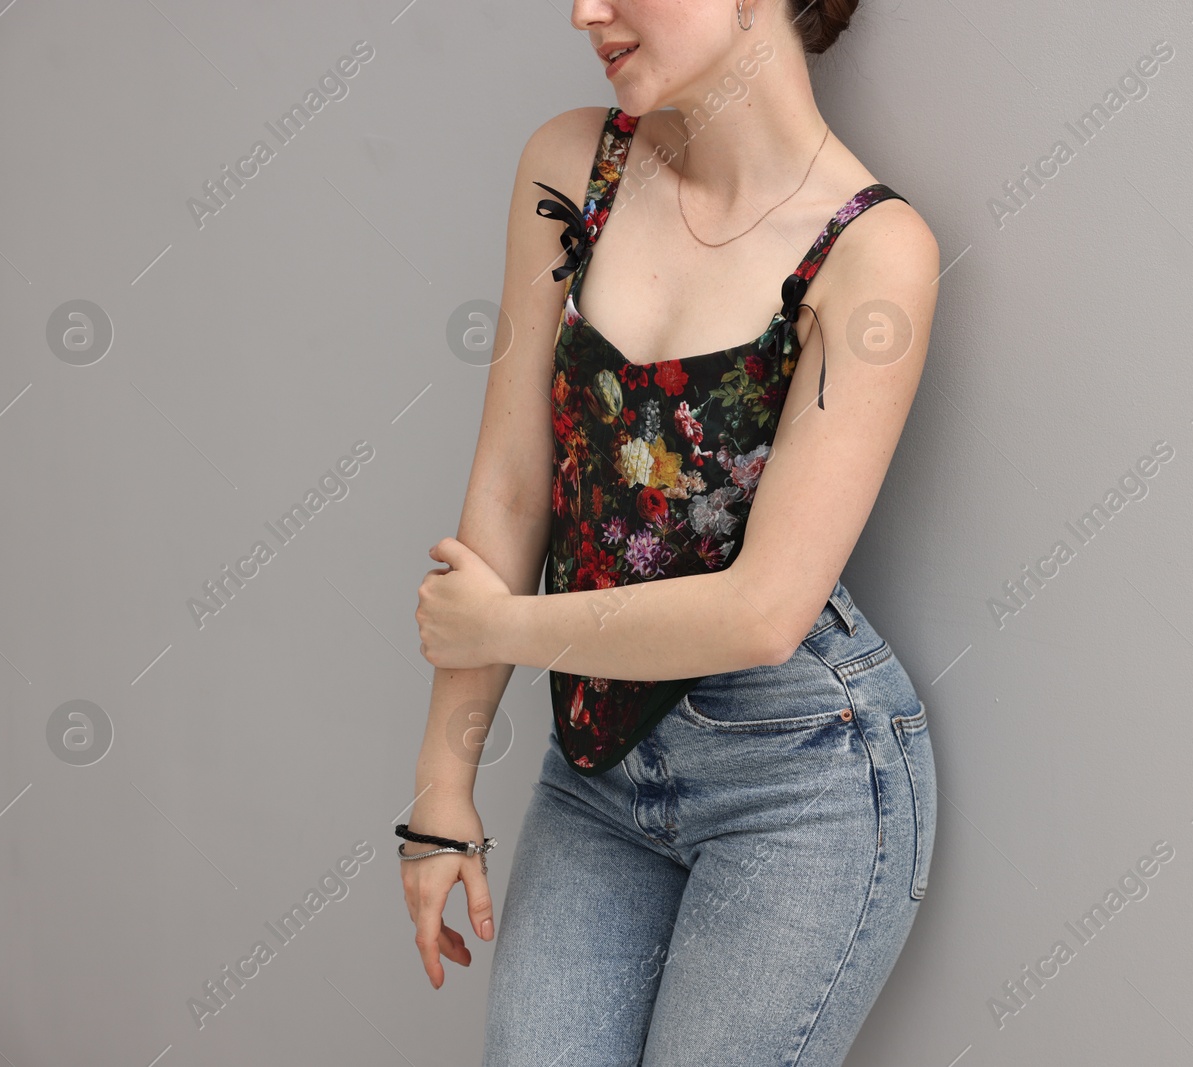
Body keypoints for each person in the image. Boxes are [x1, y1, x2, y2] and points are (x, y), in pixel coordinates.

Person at [403, 1, 940, 1062]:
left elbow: (763, 612)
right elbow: (513, 491)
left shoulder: (873, 253)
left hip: (796, 778)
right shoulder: (571, 168)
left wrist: (499, 628)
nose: (582, 11)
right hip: (597, 766)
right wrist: (440, 787)